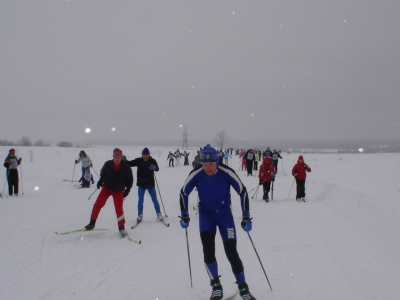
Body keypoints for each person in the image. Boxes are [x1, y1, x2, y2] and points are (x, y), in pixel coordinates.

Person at [179, 144, 257, 300]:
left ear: (217, 161)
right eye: (205, 164)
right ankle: (216, 285)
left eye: (211, 164)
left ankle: (243, 287)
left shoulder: (225, 172)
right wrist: (184, 214)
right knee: (208, 251)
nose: (208, 167)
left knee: (231, 253)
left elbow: (242, 191)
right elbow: (183, 193)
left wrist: (246, 216)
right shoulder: (197, 173)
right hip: (206, 216)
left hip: (224, 216)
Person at [84, 148, 133, 237]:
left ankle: (121, 228)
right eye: (115, 157)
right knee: (97, 204)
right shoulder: (107, 164)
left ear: (121, 158)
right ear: (113, 157)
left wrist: (127, 190)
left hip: (119, 190)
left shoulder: (126, 168)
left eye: (118, 157)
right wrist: (99, 182)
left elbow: (130, 180)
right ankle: (92, 223)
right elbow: (103, 174)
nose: (117, 159)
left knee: (119, 210)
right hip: (107, 188)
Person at [126, 148, 163, 223]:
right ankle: (140, 215)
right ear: (142, 155)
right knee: (140, 200)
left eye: (146, 155)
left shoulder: (152, 160)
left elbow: (157, 169)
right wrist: (124, 161)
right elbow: (130, 163)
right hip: (141, 184)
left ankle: (158, 213)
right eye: (144, 155)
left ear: (149, 155)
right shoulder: (139, 160)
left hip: (150, 184)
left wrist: (154, 167)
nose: (145, 156)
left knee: (154, 199)